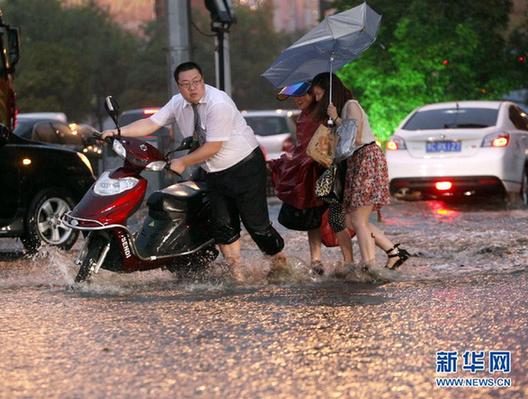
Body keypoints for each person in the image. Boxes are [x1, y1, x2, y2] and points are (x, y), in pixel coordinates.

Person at [102, 61, 287, 283]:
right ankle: (238, 276)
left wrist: (183, 162)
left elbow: (212, 147)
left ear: (203, 80)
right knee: (223, 226)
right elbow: (151, 123)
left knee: (257, 226)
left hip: (244, 166)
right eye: (186, 84)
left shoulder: (218, 104)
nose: (192, 88)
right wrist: (117, 131)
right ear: (179, 86)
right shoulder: (177, 103)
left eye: (197, 81)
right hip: (213, 171)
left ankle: (280, 263)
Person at [310, 72, 410, 275]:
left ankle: (369, 266)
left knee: (358, 221)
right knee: (349, 220)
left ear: (330, 92)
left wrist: (336, 118)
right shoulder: (342, 110)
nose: (317, 98)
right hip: (356, 162)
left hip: (366, 159)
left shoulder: (350, 105)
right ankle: (393, 252)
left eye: (319, 94)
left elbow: (354, 137)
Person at [268, 82, 327, 274]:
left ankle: (350, 260)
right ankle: (316, 260)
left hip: (323, 171)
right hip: (308, 174)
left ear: (313, 94)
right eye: (296, 96)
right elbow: (303, 146)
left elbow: (320, 146)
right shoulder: (303, 117)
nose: (298, 99)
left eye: (303, 95)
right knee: (313, 217)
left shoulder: (322, 116)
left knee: (338, 218)